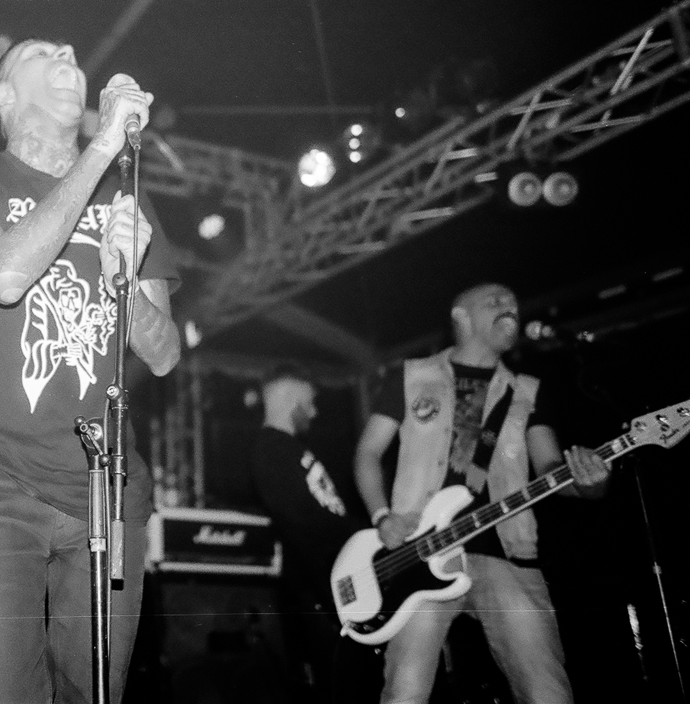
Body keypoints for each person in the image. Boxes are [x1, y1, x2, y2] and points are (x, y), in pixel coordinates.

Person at [0, 38, 181, 704]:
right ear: (2, 96)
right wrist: (102, 148)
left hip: (107, 489)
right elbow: (3, 276)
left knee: (94, 693)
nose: (67, 49)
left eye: (67, 48)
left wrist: (126, 281)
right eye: (40, 51)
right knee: (0, 693)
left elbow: (163, 352)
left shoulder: (129, 201)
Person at [353, 282, 610, 704]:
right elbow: (367, 453)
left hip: (507, 553)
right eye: (495, 301)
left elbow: (550, 468)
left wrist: (590, 481)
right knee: (405, 693)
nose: (510, 308)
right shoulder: (411, 376)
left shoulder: (527, 391)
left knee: (548, 693)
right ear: (461, 316)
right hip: (422, 554)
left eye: (513, 303)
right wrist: (383, 517)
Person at [248, 368, 375, 703]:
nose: (315, 412)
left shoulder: (291, 448)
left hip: (336, 586)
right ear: (291, 400)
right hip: (320, 593)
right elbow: (303, 522)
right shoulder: (271, 450)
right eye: (310, 403)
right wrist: (364, 532)